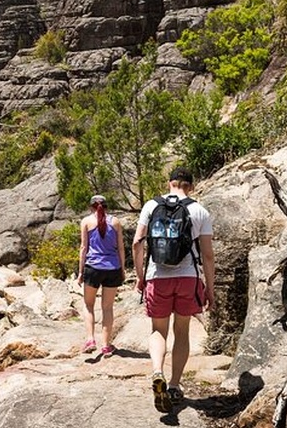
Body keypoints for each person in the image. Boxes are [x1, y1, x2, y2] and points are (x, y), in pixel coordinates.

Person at [132, 167, 215, 413]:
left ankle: (157, 371)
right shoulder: (199, 210)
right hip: (188, 277)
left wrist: (139, 276)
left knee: (158, 330)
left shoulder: (150, 206)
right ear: (191, 186)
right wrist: (209, 288)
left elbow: (137, 243)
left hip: (157, 277)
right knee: (182, 330)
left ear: (169, 183)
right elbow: (208, 255)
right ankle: (175, 385)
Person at [77, 194, 125, 357]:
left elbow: (84, 248)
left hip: (93, 267)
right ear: (106, 207)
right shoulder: (116, 222)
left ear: (91, 207)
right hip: (113, 268)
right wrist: (122, 269)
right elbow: (120, 248)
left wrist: (81, 272)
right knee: (107, 307)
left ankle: (90, 339)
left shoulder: (86, 222)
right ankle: (106, 345)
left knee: (88, 304)